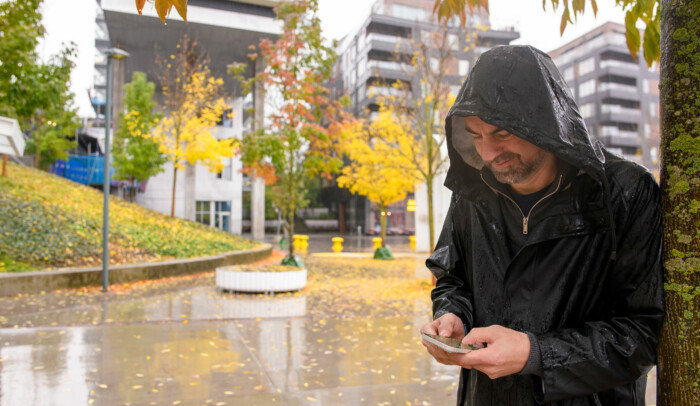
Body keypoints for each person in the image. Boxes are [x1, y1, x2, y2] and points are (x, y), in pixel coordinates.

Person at [419, 45, 663, 405]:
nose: (487, 154)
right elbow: (453, 277)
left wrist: (537, 354)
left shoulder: (625, 193)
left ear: (542, 122)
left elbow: (643, 333)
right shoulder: (473, 191)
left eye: (501, 132)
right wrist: (451, 314)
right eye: (475, 136)